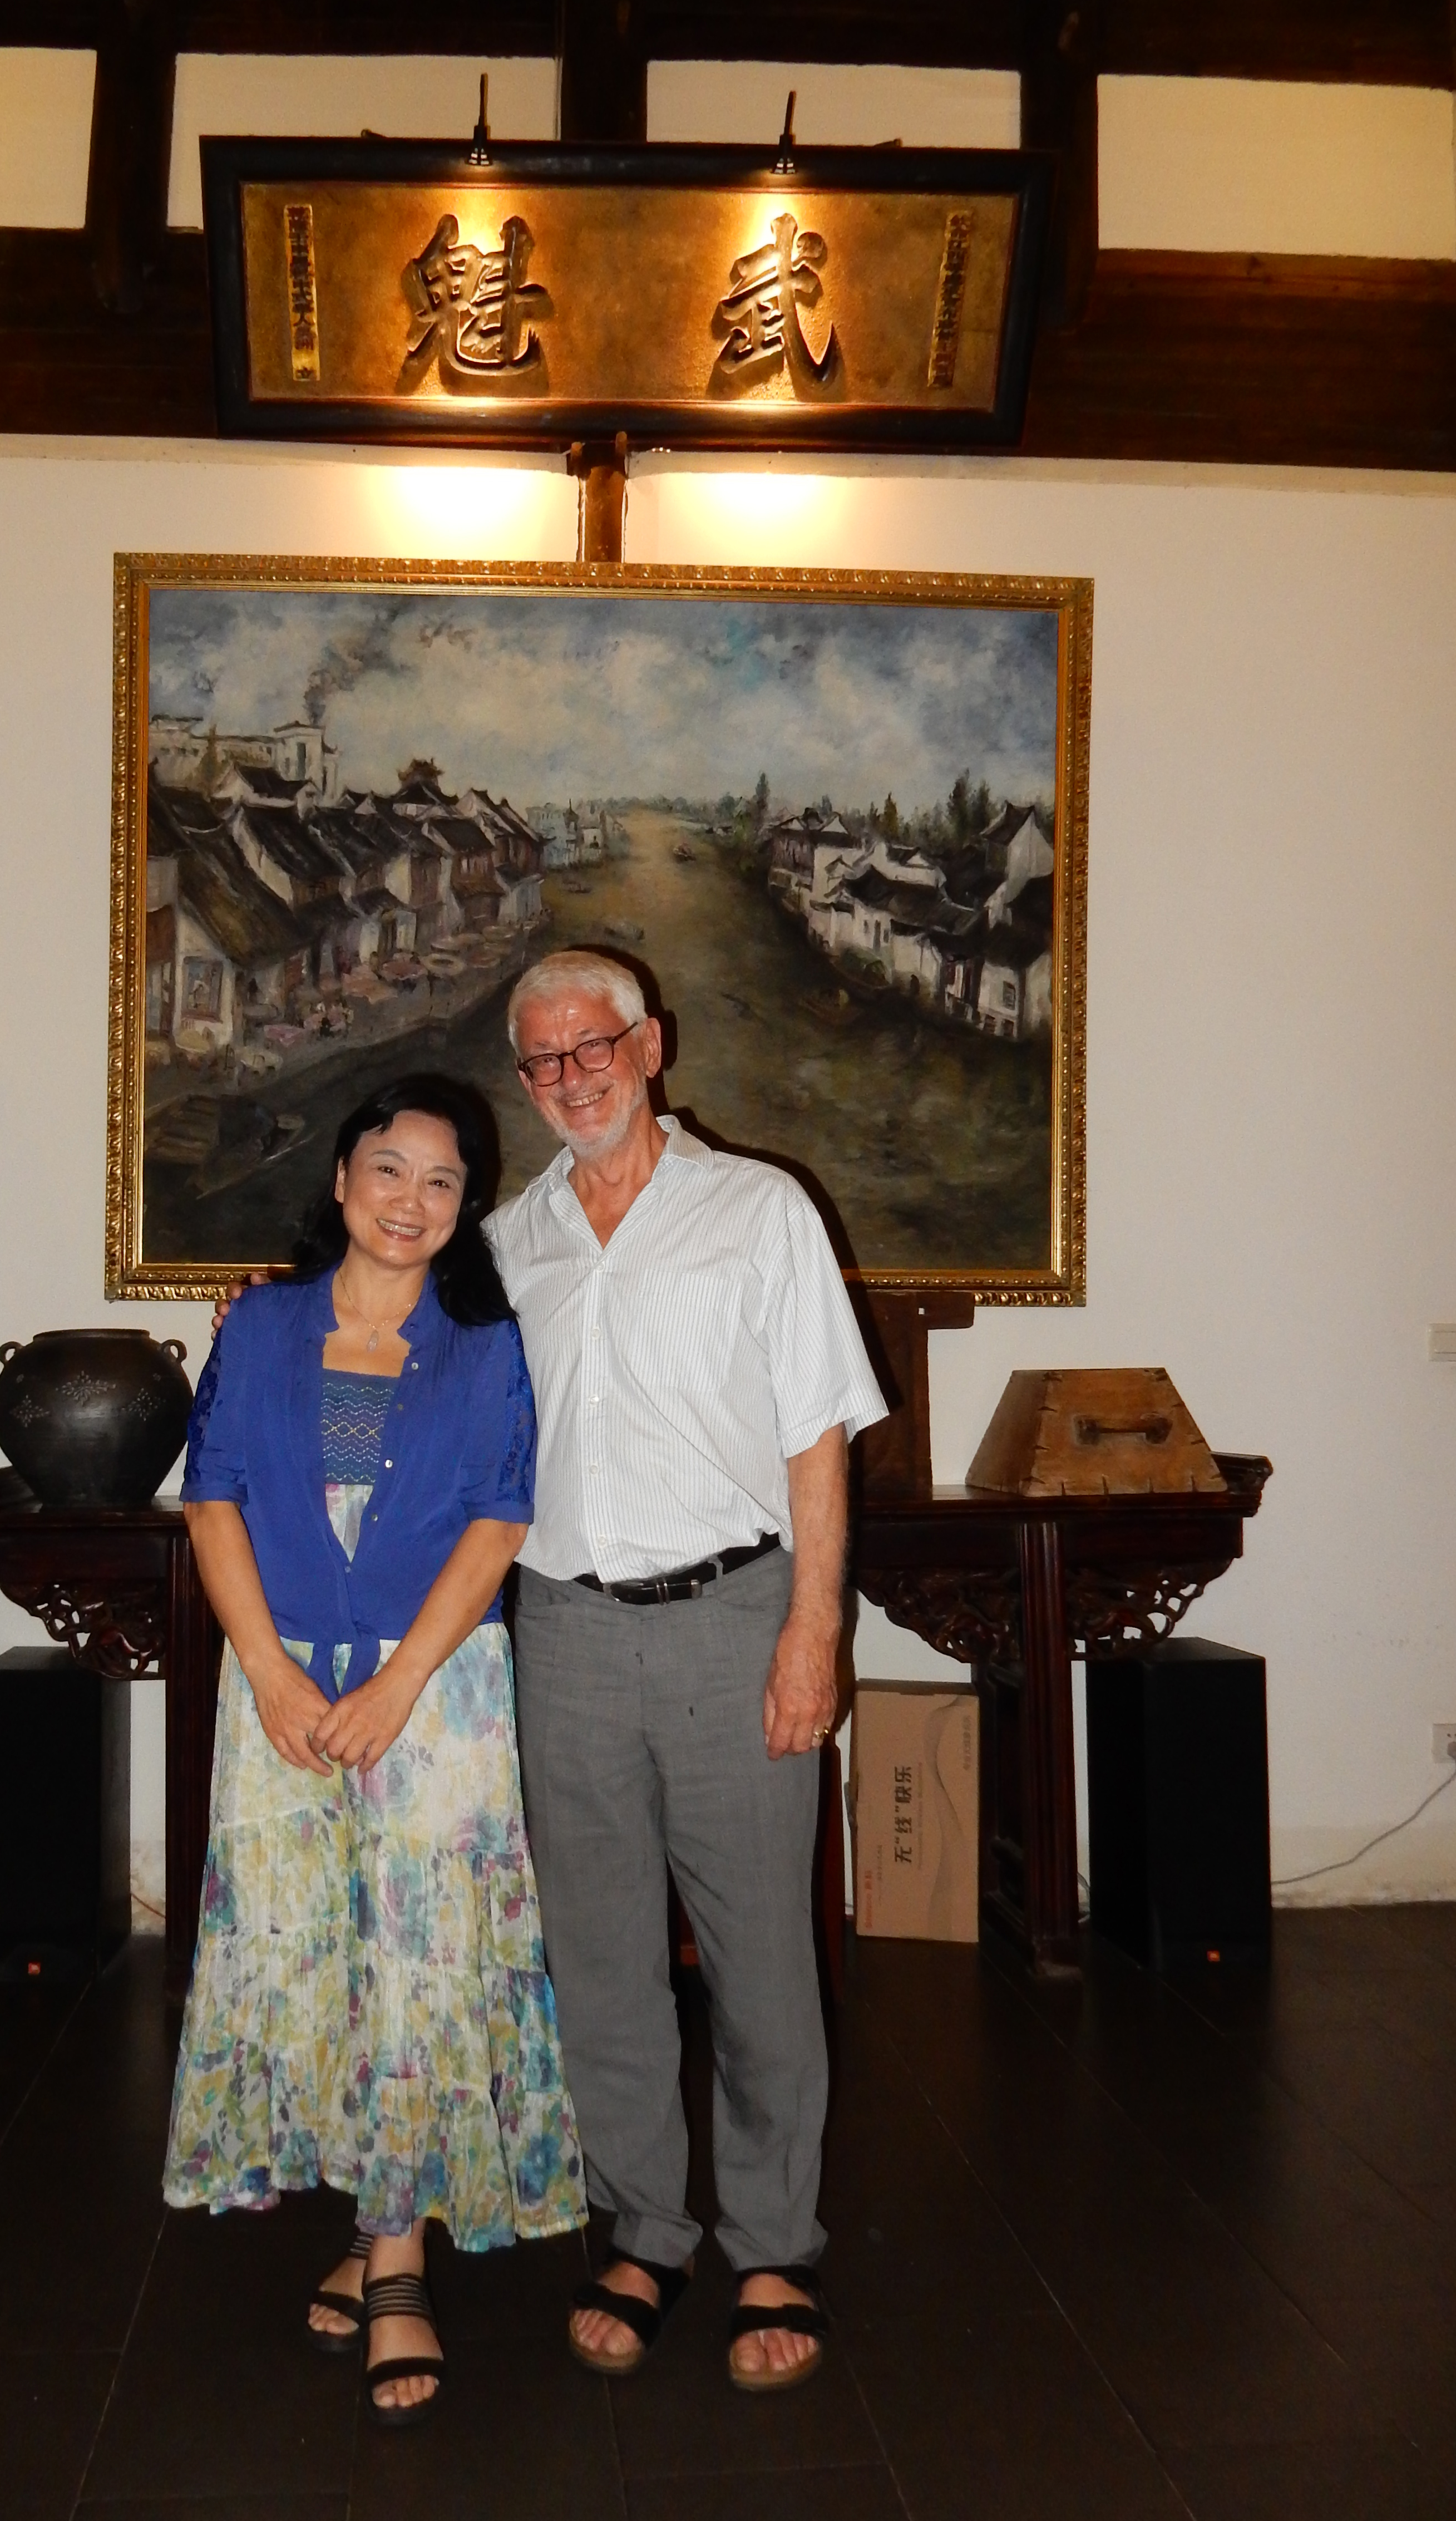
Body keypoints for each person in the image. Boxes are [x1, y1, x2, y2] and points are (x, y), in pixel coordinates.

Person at [162, 1073, 586, 2429]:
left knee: (421, 1948)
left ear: (467, 1208)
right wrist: (270, 1672)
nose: (412, 1200)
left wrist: (403, 1681)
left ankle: (396, 2257)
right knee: (315, 1947)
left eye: (442, 1182)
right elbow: (213, 1495)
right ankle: (369, 2213)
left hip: (436, 1688)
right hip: (278, 1682)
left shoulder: (484, 1343)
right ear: (343, 1180)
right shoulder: (262, 1325)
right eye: (389, 1170)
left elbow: (500, 1516)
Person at [489, 949, 886, 2394]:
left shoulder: (758, 1211)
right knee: (598, 1957)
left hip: (736, 1615)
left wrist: (814, 1633)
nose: (570, 1077)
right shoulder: (510, 1240)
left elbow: (817, 1435)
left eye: (592, 1046)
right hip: (566, 1630)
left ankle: (773, 2241)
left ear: (650, 1045)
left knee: (761, 1955)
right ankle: (645, 2227)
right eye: (543, 1059)